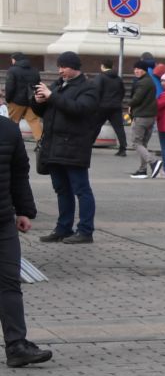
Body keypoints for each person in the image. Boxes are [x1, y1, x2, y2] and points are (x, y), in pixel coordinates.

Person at [28, 53, 101, 245]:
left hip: (74, 147)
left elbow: (78, 109)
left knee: (81, 189)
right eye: (59, 67)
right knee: (61, 190)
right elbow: (43, 110)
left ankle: (85, 231)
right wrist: (38, 101)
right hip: (54, 146)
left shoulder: (89, 88)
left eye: (64, 67)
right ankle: (63, 228)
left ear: (75, 67)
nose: (60, 71)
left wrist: (52, 97)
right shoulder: (59, 84)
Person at [1, 112, 51, 367]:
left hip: (2, 223)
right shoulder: (9, 130)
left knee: (9, 284)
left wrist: (23, 210)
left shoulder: (9, 131)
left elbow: (19, 174)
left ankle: (17, 346)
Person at [125, 56, 162, 179]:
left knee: (136, 143)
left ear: (145, 70)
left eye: (139, 69)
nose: (136, 71)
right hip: (149, 116)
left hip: (142, 116)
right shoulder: (148, 81)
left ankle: (153, 161)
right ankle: (142, 170)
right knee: (143, 144)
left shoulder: (143, 82)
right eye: (135, 69)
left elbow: (137, 98)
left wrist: (129, 104)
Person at [95, 61, 128, 157]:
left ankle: (87, 146)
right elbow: (123, 92)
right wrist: (117, 101)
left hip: (102, 107)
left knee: (95, 126)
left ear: (102, 66)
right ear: (112, 66)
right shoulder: (118, 79)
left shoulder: (100, 77)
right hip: (116, 107)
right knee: (119, 128)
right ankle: (123, 148)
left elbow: (96, 91)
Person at [5, 53, 41, 140]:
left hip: (16, 101)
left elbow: (10, 87)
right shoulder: (35, 70)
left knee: (13, 122)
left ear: (15, 59)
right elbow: (38, 85)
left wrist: (8, 99)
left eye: (12, 59)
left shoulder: (12, 70)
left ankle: (12, 141)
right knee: (34, 121)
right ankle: (41, 142)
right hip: (31, 101)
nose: (12, 61)